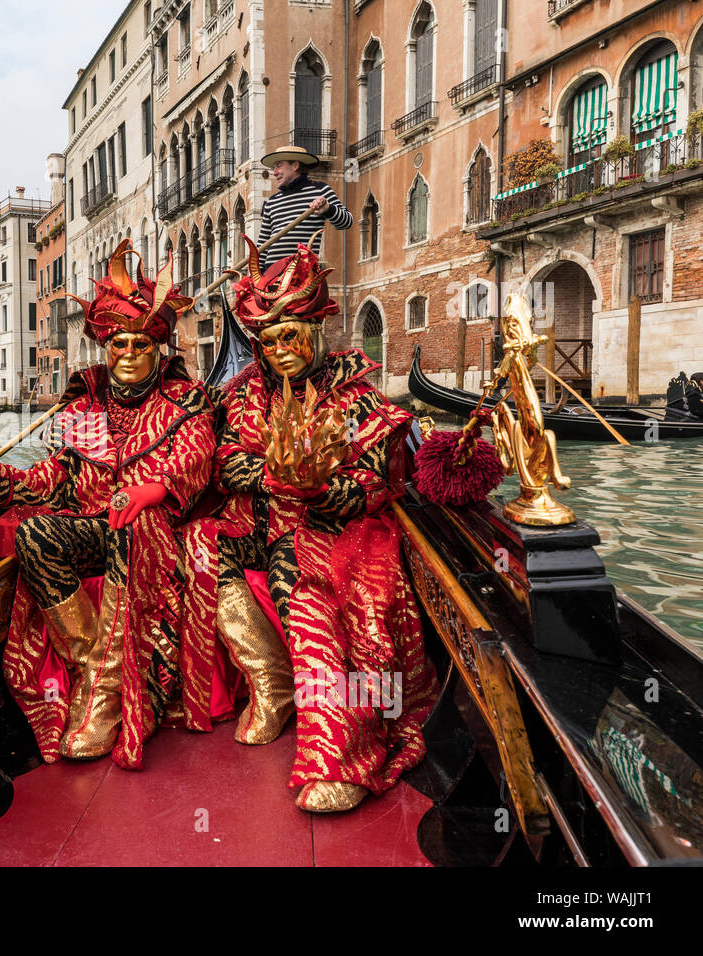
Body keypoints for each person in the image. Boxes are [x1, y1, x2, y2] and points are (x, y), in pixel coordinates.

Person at [177, 235, 437, 812]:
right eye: (266, 342)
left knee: (311, 582)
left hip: (333, 531)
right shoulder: (246, 398)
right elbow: (227, 459)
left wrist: (319, 486)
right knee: (198, 543)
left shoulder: (356, 397)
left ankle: (343, 751)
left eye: (289, 335)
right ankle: (271, 684)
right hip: (257, 522)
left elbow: (372, 480)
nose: (278, 351)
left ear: (314, 331)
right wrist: (280, 475)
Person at [0, 240, 215, 770]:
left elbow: (194, 457)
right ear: (105, 346)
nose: (131, 353)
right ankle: (98, 668)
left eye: (141, 343)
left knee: (131, 524)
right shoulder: (86, 405)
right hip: (98, 530)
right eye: (119, 343)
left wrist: (149, 491)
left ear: (158, 347)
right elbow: (60, 477)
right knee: (34, 534)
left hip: (158, 537)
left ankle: (106, 698)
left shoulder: (185, 400)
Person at [256, 144, 353, 272]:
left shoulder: (320, 190)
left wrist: (328, 209)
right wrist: (256, 277)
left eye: (279, 166)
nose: (274, 172)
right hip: (272, 274)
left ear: (295, 166)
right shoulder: (272, 201)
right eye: (274, 167)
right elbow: (262, 246)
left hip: (302, 272)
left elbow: (347, 222)